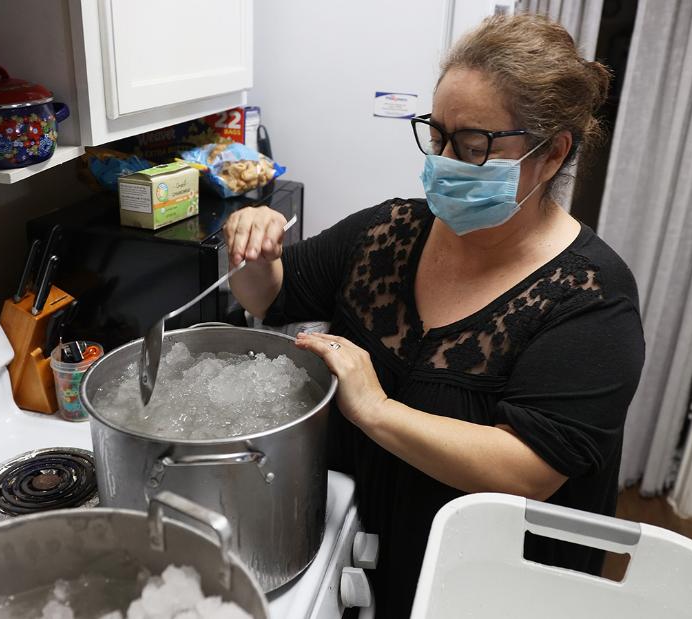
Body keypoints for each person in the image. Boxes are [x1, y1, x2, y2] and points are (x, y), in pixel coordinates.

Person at [225, 13, 644, 616]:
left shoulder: (591, 297)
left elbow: (528, 470)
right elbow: (269, 298)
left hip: (490, 585)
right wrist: (253, 249)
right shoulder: (388, 230)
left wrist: (376, 409)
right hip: (363, 541)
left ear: (551, 155)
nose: (444, 160)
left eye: (473, 146)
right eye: (438, 134)